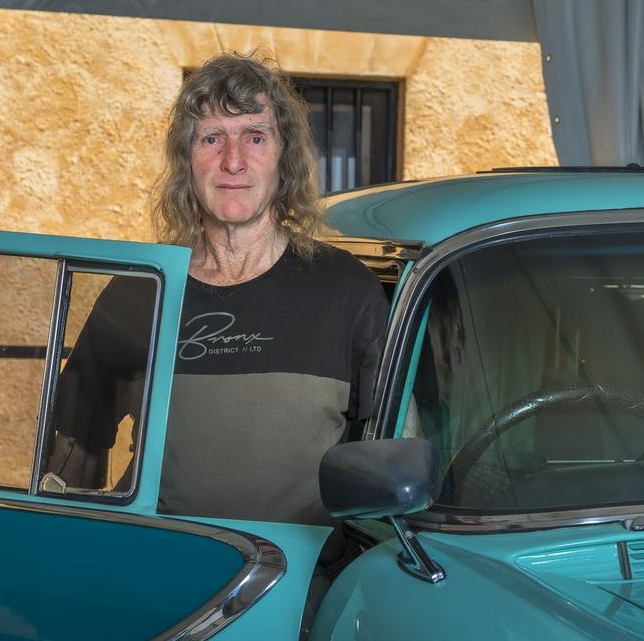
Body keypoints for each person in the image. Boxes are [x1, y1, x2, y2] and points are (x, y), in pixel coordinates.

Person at [47, 52, 388, 529]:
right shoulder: (139, 294)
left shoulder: (347, 289)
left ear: (283, 157)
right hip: (165, 568)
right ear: (187, 161)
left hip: (303, 579)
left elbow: (388, 461)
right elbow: (72, 454)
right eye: (212, 138)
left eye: (254, 136)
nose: (233, 161)